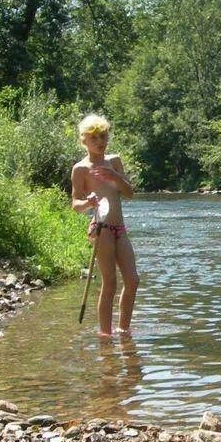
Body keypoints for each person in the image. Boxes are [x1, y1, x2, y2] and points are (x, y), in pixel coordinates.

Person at [71, 114, 138, 337]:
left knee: (133, 280)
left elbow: (129, 194)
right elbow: (75, 204)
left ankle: (123, 330)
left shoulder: (114, 161)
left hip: (120, 229)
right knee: (110, 282)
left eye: (103, 136)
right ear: (84, 140)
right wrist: (87, 203)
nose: (100, 141)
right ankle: (105, 335)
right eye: (94, 138)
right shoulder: (80, 169)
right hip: (100, 230)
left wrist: (117, 178)